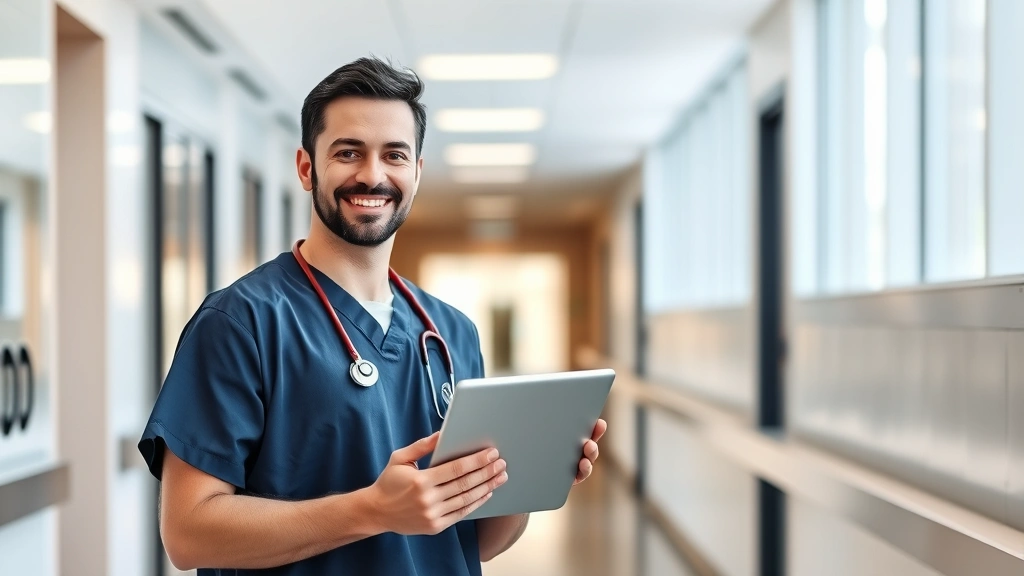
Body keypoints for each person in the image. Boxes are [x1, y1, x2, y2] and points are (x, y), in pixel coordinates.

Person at [138, 56, 607, 575]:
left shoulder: (451, 332)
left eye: (395, 155)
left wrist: (529, 473)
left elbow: (473, 541)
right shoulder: (240, 323)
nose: (372, 175)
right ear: (305, 167)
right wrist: (372, 510)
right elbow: (187, 534)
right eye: (348, 152)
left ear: (417, 173)